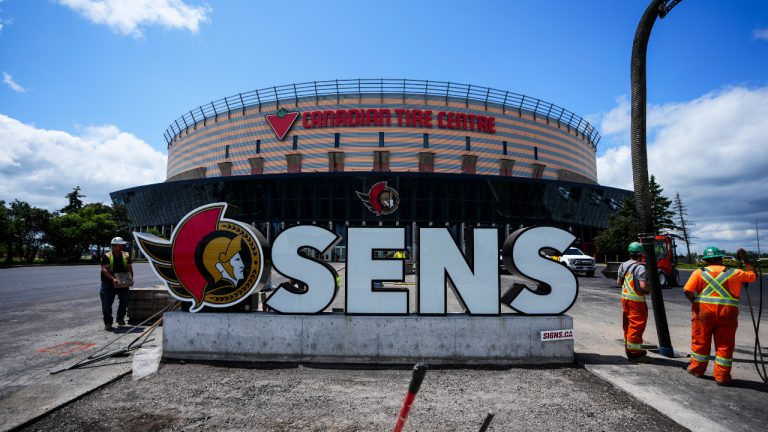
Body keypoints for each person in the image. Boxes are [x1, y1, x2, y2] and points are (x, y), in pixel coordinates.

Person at [684, 246, 756, 386]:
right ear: (721, 258)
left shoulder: (699, 272)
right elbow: (753, 275)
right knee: (725, 344)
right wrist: (745, 259)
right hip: (727, 313)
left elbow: (687, 290)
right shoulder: (735, 272)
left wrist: (695, 301)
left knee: (700, 341)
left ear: (706, 260)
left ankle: (697, 369)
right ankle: (722, 376)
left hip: (703, 313)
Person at [616, 241, 650, 359]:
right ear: (641, 254)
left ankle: (628, 347)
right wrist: (648, 290)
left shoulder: (623, 265)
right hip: (636, 301)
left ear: (630, 253)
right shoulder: (640, 267)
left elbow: (619, 282)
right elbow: (643, 286)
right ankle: (634, 352)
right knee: (636, 325)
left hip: (625, 299)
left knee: (627, 324)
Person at [100, 236, 133, 330]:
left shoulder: (126, 255)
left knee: (126, 299)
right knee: (106, 303)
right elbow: (104, 269)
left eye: (122, 245)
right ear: (114, 246)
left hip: (122, 283)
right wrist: (113, 279)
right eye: (120, 245)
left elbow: (130, 268)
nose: (122, 247)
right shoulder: (106, 256)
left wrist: (131, 279)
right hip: (108, 283)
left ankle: (120, 318)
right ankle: (108, 322)